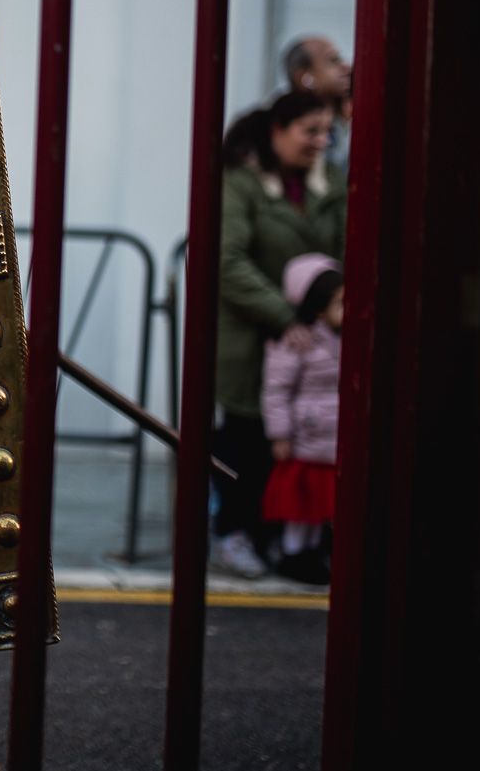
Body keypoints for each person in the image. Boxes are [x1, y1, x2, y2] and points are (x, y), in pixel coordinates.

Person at [213, 90, 346, 579]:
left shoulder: (330, 182)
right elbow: (226, 259)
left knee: (307, 447)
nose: (321, 141)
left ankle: (286, 539)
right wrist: (286, 316)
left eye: (327, 131)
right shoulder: (240, 182)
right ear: (278, 130)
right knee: (248, 437)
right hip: (253, 337)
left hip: (318, 341)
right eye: (310, 131)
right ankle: (234, 532)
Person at [260, 253, 343, 586]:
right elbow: (277, 391)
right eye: (340, 303)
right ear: (318, 308)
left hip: (333, 439)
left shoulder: (344, 336)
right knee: (301, 506)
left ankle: (312, 552)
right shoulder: (296, 342)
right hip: (306, 438)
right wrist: (280, 435)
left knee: (321, 504)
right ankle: (293, 553)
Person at [282, 35, 353, 171]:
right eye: (333, 61)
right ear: (305, 77)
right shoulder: (287, 127)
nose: (346, 67)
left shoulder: (341, 120)